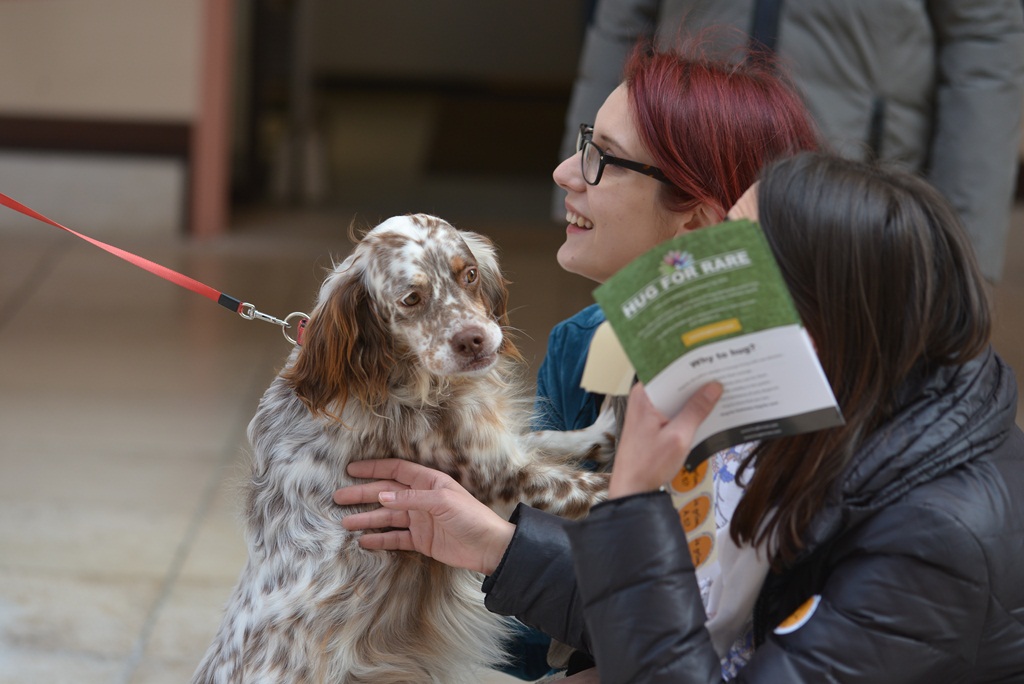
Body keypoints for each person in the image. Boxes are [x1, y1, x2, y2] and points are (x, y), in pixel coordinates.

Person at [335, 152, 1024, 682]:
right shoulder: (845, 403)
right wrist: (496, 543)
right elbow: (689, 613)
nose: (695, 266)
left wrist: (632, 501)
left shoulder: (939, 536)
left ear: (818, 317)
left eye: (734, 255)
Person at [515, 42, 819, 678]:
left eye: (602, 158)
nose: (566, 172)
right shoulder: (582, 345)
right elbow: (539, 612)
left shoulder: (806, 399)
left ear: (699, 221)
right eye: (583, 142)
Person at [555, 0, 1024, 283]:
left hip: (848, 159)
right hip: (685, 152)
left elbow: (986, 40)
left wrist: (963, 241)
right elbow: (621, 19)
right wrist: (596, 164)